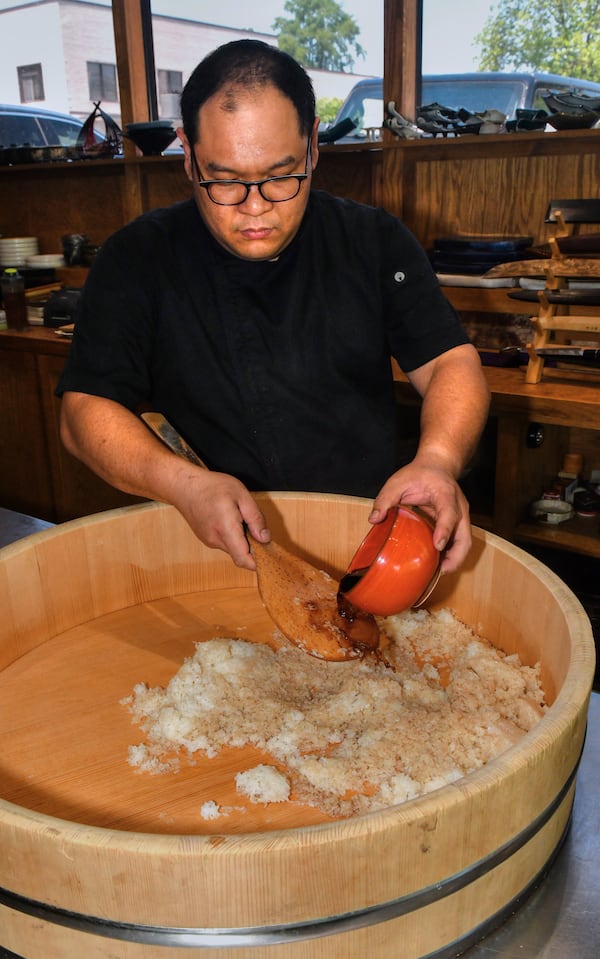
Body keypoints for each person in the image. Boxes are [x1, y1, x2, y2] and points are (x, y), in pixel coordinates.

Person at [57, 39, 490, 575]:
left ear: (312, 146)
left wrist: (438, 461)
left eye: (281, 175)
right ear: (188, 155)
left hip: (363, 541)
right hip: (208, 546)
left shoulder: (372, 241)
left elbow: (451, 362)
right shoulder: (137, 258)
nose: (256, 207)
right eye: (226, 180)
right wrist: (183, 483)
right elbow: (84, 414)